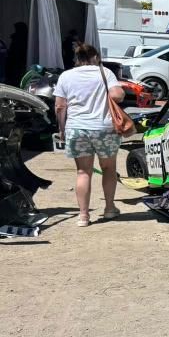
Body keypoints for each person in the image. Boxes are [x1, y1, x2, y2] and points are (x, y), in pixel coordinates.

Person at [53, 43, 125, 227]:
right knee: (108, 168)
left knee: (83, 172)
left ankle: (83, 216)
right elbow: (118, 95)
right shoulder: (105, 73)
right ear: (96, 57)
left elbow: (60, 106)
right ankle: (109, 208)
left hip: (77, 128)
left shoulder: (66, 76)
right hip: (104, 128)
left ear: (77, 59)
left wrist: (62, 129)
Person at [6, 22, 28, 86]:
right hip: (16, 61)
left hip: (18, 61)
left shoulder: (20, 38)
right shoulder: (20, 37)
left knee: (16, 77)